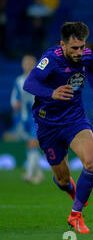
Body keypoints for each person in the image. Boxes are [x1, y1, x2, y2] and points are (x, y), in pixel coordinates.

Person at [23, 22, 93, 234]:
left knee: (92, 162)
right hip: (47, 123)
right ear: (63, 45)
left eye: (82, 47)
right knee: (61, 179)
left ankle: (75, 215)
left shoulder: (87, 55)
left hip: (74, 119)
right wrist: (52, 93)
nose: (80, 53)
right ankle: (69, 188)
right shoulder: (50, 59)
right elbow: (29, 84)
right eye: (74, 48)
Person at [10, 54, 43, 184]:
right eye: (25, 62)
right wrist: (15, 104)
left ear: (35, 64)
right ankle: (39, 173)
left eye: (30, 62)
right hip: (24, 118)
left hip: (38, 116)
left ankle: (29, 174)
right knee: (30, 144)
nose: (28, 65)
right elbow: (15, 97)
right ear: (22, 64)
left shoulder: (40, 79)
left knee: (33, 142)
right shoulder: (18, 80)